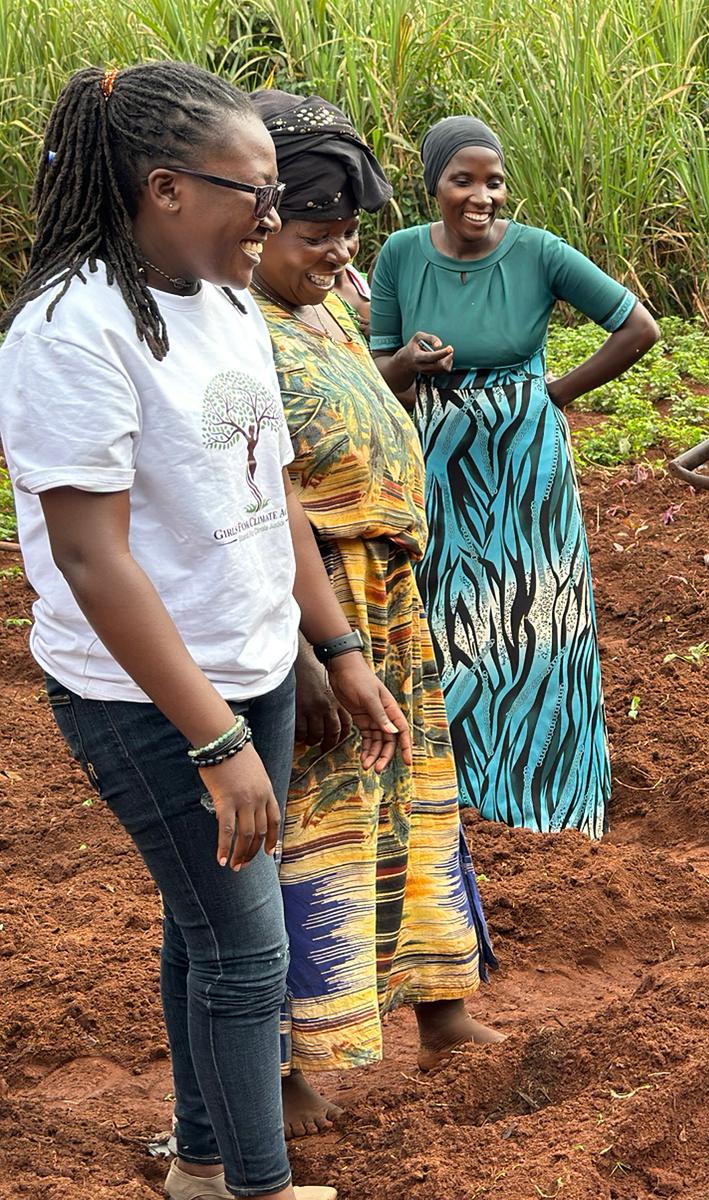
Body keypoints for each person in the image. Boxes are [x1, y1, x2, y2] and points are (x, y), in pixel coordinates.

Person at [0, 63, 412, 1200]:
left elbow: (269, 488)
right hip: (146, 700)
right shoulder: (70, 332)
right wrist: (215, 744)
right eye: (257, 192)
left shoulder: (228, 303)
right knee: (247, 953)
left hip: (255, 665)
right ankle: (255, 1190)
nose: (274, 219)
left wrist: (335, 649)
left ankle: (200, 1166)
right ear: (168, 188)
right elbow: (91, 558)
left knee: (208, 933)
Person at [246, 89, 501, 1140]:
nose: (336, 253)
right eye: (314, 236)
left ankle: (441, 1008)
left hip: (385, 602)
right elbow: (252, 498)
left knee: (414, 808)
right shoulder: (229, 328)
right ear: (255, 225)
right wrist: (310, 647)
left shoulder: (319, 305)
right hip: (315, 609)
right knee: (311, 831)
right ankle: (287, 1067)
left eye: (346, 235)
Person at [368, 116, 659, 831]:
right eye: (462, 179)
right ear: (433, 184)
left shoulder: (539, 253)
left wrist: (554, 394)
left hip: (528, 465)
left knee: (542, 619)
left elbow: (639, 328)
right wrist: (409, 363)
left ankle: (549, 799)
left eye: (493, 181)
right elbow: (374, 377)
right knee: (449, 619)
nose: (481, 195)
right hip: (438, 461)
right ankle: (460, 795)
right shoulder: (400, 256)